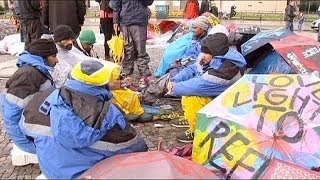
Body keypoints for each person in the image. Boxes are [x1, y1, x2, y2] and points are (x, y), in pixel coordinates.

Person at [19, 60, 148, 179]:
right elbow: (135, 147)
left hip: (52, 171)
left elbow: (26, 134)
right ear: (104, 84)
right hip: (90, 174)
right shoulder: (110, 112)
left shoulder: (41, 100)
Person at [168, 33, 246, 143]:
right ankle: (191, 119)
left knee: (192, 97)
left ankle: (198, 132)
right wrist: (175, 79)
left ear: (214, 53)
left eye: (205, 52)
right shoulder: (215, 57)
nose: (202, 55)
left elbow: (200, 84)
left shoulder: (228, 68)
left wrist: (174, 87)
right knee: (188, 91)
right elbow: (193, 68)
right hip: (217, 96)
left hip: (228, 105)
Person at [0, 39, 58, 163]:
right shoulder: (28, 74)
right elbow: (12, 115)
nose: (57, 60)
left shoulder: (36, 70)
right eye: (53, 56)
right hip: (29, 138)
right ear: (42, 58)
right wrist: (29, 140)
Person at [113, 0, 154, 80]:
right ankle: (127, 68)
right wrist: (115, 20)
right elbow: (116, 4)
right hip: (125, 21)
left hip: (139, 20)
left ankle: (143, 69)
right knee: (127, 47)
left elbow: (149, 2)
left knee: (141, 48)